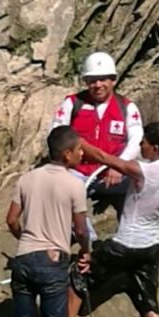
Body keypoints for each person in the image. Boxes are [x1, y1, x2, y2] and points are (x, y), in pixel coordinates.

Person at [67, 122, 159, 317]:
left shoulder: (144, 171)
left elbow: (103, 158)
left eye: (143, 143)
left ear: (154, 147)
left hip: (125, 245)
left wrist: (77, 139)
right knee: (149, 301)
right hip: (151, 246)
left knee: (80, 272)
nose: (140, 146)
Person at [5, 125, 90, 317]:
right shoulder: (74, 184)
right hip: (53, 261)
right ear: (67, 155)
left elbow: (11, 220)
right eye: (79, 150)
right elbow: (80, 229)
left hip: (24, 258)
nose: (82, 153)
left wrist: (25, 240)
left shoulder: (27, 179)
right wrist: (85, 251)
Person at [50, 51, 143, 237]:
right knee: (59, 193)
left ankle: (134, 237)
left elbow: (136, 139)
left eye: (103, 79)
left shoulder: (126, 107)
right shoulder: (72, 103)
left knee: (146, 184)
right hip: (80, 173)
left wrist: (118, 165)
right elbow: (56, 133)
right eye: (92, 80)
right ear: (86, 81)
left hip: (115, 174)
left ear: (113, 80)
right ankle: (89, 241)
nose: (98, 85)